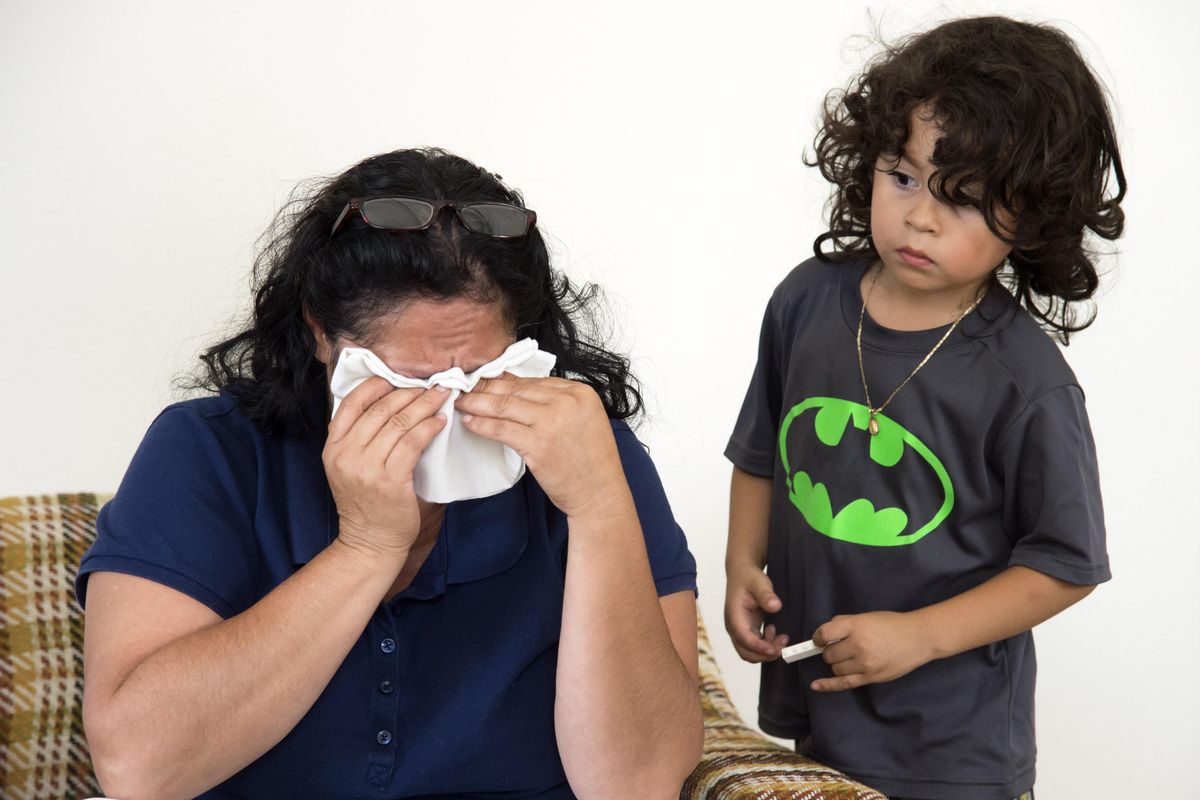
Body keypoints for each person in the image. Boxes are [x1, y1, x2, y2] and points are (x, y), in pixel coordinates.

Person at [76, 148, 704, 800]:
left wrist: (600, 506)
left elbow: (639, 785)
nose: (448, 406)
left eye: (486, 375)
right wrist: (365, 550)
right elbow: (138, 768)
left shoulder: (594, 457)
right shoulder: (207, 453)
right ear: (322, 335)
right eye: (411, 382)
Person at [723, 16, 1123, 800]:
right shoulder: (806, 302)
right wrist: (743, 562)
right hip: (817, 696)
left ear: (1032, 217)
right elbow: (762, 449)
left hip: (952, 746)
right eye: (902, 177)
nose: (922, 217)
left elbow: (1066, 563)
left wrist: (917, 637)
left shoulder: (1023, 380)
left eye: (964, 200)